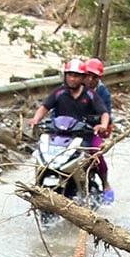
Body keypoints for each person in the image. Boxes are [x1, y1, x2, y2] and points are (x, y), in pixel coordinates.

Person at [34, 56, 114, 202]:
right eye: (69, 75)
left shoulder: (95, 94)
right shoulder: (59, 92)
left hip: (87, 133)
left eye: (76, 76)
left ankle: (105, 184)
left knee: (96, 153)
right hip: (61, 132)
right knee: (41, 150)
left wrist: (102, 125)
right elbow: (45, 107)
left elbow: (105, 113)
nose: (72, 79)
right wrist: (35, 120)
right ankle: (37, 185)